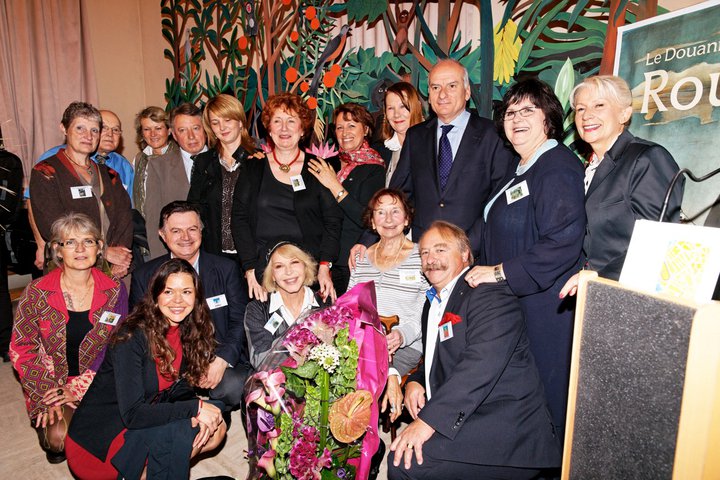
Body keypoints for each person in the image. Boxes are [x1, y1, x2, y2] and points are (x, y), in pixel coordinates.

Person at [387, 221, 560, 479]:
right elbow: (438, 356)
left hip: (504, 428)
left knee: (403, 464)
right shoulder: (432, 303)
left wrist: (429, 421)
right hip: (466, 414)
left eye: (440, 250)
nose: (431, 259)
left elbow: (481, 364)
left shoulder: (488, 293)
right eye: (424, 253)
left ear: (465, 254)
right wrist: (415, 381)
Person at [464, 78, 585, 439]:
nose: (516, 118)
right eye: (510, 112)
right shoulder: (519, 168)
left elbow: (562, 242)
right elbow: (489, 226)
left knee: (551, 409)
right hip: (518, 307)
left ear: (548, 118)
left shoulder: (557, 166)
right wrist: (448, 252)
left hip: (547, 311)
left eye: (528, 110)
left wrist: (500, 272)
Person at [66, 259, 225, 479]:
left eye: (186, 292)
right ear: (156, 295)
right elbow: (133, 414)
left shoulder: (186, 329)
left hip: (142, 417)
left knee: (216, 423)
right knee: (183, 428)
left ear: (196, 297)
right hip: (100, 442)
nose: (178, 300)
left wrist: (198, 410)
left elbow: (178, 388)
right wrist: (194, 408)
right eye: (168, 291)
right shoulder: (131, 337)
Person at [9, 213, 128, 464]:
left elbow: (119, 342)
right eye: (70, 242)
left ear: (99, 248)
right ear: (57, 250)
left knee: (122, 435)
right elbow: (22, 347)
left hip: (97, 377)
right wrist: (48, 392)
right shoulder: (37, 292)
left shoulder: (115, 290)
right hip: (52, 379)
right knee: (59, 438)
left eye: (88, 241)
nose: (80, 249)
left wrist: (80, 387)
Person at [560, 75, 684, 296]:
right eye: (580, 109)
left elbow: (658, 243)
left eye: (599, 105)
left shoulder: (647, 158)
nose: (587, 115)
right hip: (598, 292)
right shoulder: (589, 168)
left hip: (635, 294)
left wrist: (597, 277)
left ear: (624, 114)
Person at [130, 201, 250, 410]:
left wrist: (222, 360)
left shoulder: (226, 269)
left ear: (201, 231)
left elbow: (239, 319)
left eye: (192, 229)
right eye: (176, 231)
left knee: (232, 387)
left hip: (216, 355)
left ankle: (215, 409)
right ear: (162, 234)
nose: (185, 237)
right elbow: (140, 328)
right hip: (168, 361)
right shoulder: (145, 275)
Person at [388, 59, 514, 256]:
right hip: (425, 254)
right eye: (435, 87)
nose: (442, 94)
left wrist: (467, 247)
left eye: (452, 86)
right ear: (429, 95)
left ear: (467, 92)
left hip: (473, 255)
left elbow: (500, 200)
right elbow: (397, 196)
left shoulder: (493, 135)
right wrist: (368, 241)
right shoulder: (416, 136)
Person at [231, 93, 342, 302]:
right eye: (277, 121)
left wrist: (325, 266)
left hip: (309, 271)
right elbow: (239, 219)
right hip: (264, 272)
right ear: (269, 129)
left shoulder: (317, 167)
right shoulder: (253, 167)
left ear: (302, 129)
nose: (284, 128)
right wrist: (250, 269)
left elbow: (333, 221)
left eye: (291, 121)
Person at [347, 188, 427, 422]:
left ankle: (363, 435)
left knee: (361, 382)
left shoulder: (422, 256)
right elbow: (350, 306)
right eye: (381, 212)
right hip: (363, 342)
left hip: (404, 344)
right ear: (372, 222)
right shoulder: (361, 258)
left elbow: (428, 308)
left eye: (395, 211)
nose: (388, 219)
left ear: (407, 218)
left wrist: (402, 335)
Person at [29, 102, 133, 277]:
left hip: (114, 265)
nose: (88, 136)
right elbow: (53, 225)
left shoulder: (110, 174)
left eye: (94, 130)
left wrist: (121, 257)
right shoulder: (46, 171)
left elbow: (125, 216)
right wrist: (104, 251)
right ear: (64, 129)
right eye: (80, 128)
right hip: (69, 267)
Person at [309, 102, 385, 294]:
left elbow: (366, 218)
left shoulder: (374, 168)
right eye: (339, 127)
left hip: (351, 262)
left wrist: (334, 185)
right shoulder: (326, 164)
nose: (345, 132)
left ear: (365, 129)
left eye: (352, 125)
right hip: (318, 258)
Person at [189, 94, 258, 257]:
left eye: (227, 120)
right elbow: (193, 208)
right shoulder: (203, 162)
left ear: (240, 121)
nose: (222, 127)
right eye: (215, 122)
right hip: (214, 254)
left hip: (252, 254)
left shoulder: (258, 160)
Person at [244, 241, 330, 369]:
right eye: (279, 266)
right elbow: (261, 360)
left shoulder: (326, 304)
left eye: (294, 262)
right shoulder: (258, 310)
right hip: (275, 380)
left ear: (305, 267)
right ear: (272, 275)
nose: (288, 272)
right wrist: (302, 335)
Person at [144, 103, 208, 259]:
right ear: (173, 134)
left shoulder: (223, 161)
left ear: (205, 129)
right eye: (182, 130)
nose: (191, 136)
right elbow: (154, 221)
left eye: (196, 128)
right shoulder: (159, 166)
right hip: (177, 257)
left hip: (219, 258)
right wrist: (162, 263)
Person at [37, 109, 135, 196]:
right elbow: (35, 201)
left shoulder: (124, 166)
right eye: (104, 128)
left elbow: (129, 205)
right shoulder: (54, 157)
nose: (110, 134)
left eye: (116, 130)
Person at [371, 82, 425, 186]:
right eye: (391, 108)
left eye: (403, 106)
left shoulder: (433, 144)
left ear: (417, 106)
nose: (396, 114)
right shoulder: (379, 152)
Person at [132, 106, 178, 220]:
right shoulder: (138, 160)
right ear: (142, 133)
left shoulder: (181, 157)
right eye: (147, 129)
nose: (153, 134)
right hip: (145, 224)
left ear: (169, 130)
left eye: (158, 128)